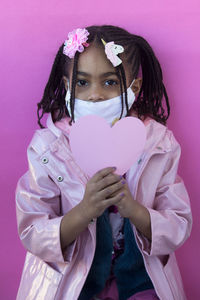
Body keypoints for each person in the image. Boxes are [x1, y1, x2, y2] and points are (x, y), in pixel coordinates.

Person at [15, 25, 192, 300]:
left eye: (109, 82)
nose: (95, 94)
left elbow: (178, 225)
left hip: (141, 278)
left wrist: (133, 208)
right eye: (82, 82)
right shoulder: (48, 148)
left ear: (134, 87)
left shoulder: (159, 144)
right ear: (67, 86)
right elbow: (31, 230)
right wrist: (84, 210)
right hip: (71, 282)